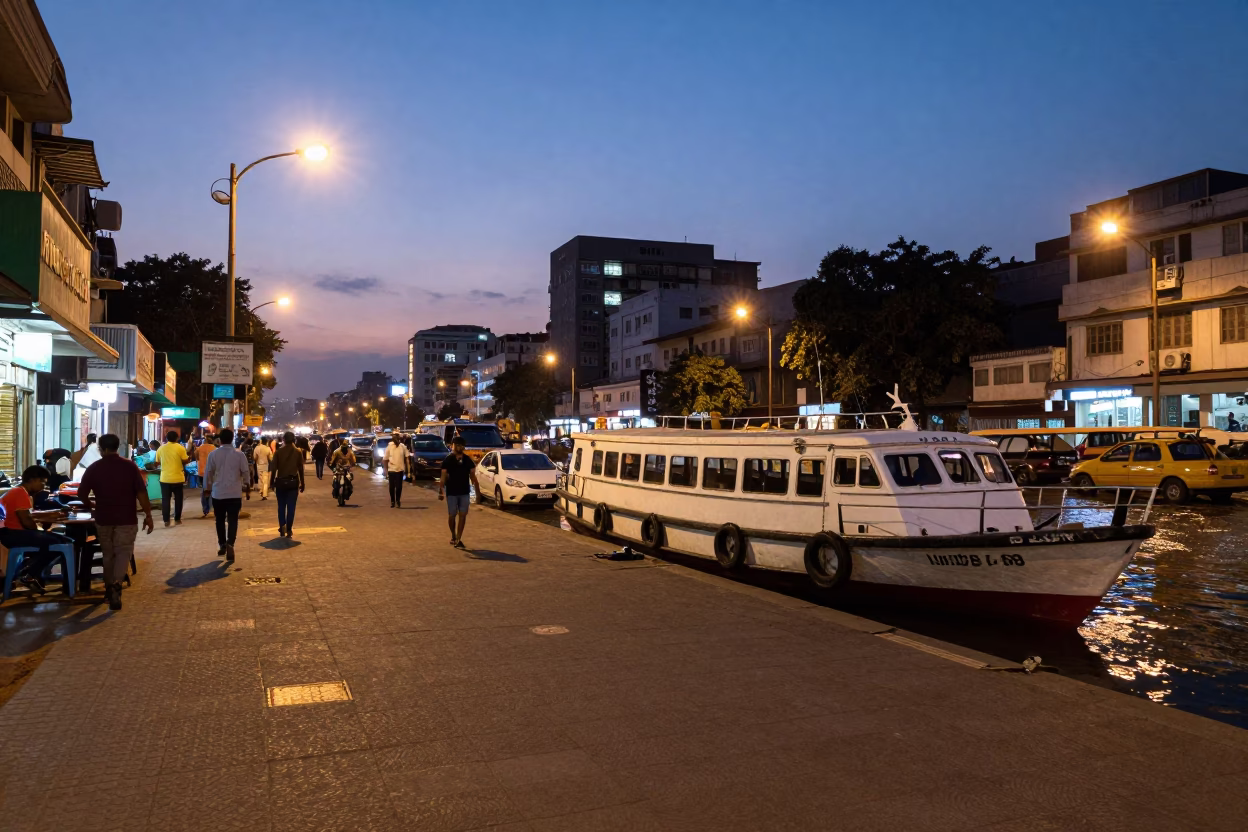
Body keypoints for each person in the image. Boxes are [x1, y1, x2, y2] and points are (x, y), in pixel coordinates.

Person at [76, 434, 154, 610]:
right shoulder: (129, 466)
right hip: (126, 517)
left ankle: (109, 588)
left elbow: (81, 494)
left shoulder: (94, 468)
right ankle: (117, 584)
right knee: (123, 552)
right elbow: (141, 492)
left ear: (101, 448)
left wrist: (92, 505)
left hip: (103, 518)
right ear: (117, 447)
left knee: (108, 554)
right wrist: (148, 515)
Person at [0, 465, 71, 595]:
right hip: (12, 534)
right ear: (33, 480)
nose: (43, 487)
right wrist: (40, 531)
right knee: (62, 543)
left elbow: (30, 515)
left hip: (12, 533)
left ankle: (29, 574)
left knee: (62, 541)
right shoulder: (19, 492)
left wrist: (53, 514)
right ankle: (29, 574)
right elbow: (27, 522)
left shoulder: (21, 492)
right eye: (42, 483)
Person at [202, 428, 251, 562]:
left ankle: (222, 543)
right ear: (232, 438)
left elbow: (208, 473)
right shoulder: (239, 454)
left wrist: (207, 488)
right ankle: (231, 543)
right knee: (233, 519)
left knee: (219, 520)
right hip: (234, 493)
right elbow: (246, 472)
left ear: (219, 440)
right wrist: (247, 486)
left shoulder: (213, 454)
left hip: (218, 493)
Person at [438, 436, 479, 549]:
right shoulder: (448, 460)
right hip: (451, 492)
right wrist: (440, 491)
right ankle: (453, 535)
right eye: (457, 445)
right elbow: (443, 477)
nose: (459, 447)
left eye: (462, 445)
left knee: (463, 515)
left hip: (464, 492)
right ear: (453, 446)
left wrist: (477, 492)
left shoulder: (467, 460)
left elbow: (473, 476)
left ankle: (459, 538)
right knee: (452, 515)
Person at [270, 431, 306, 538]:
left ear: (284, 440)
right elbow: (300, 469)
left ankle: (282, 527)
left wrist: (272, 482)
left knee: (281, 506)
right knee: (291, 507)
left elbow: (274, 469)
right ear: (293, 440)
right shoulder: (298, 452)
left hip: (281, 482)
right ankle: (289, 529)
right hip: (293, 483)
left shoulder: (278, 452)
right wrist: (302, 483)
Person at [155, 430, 190, 527]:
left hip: (165, 478)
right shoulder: (180, 448)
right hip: (177, 478)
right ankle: (177, 519)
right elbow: (185, 460)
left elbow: (157, 462)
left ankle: (166, 520)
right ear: (177, 438)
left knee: (165, 499)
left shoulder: (161, 448)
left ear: (166, 438)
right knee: (178, 499)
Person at [384, 433, 411, 507]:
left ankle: (398, 500)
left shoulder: (402, 447)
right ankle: (392, 501)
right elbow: (385, 459)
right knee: (392, 487)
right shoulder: (389, 447)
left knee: (399, 487)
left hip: (400, 470)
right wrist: (385, 471)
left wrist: (408, 471)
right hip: (391, 470)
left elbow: (407, 459)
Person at [195, 435, 216, 516]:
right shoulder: (214, 448)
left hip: (201, 472)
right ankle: (211, 508)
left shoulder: (199, 448)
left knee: (204, 490)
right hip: (211, 472)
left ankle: (205, 509)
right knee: (212, 490)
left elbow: (197, 458)